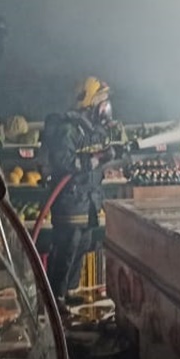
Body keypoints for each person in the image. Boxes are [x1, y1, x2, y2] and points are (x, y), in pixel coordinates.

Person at [42, 76, 122, 311]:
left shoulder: (91, 129)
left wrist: (110, 154)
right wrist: (96, 160)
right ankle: (55, 297)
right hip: (69, 199)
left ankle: (69, 291)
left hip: (86, 199)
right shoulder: (69, 129)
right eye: (103, 101)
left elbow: (96, 154)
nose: (106, 107)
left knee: (84, 242)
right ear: (92, 102)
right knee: (68, 244)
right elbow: (64, 162)